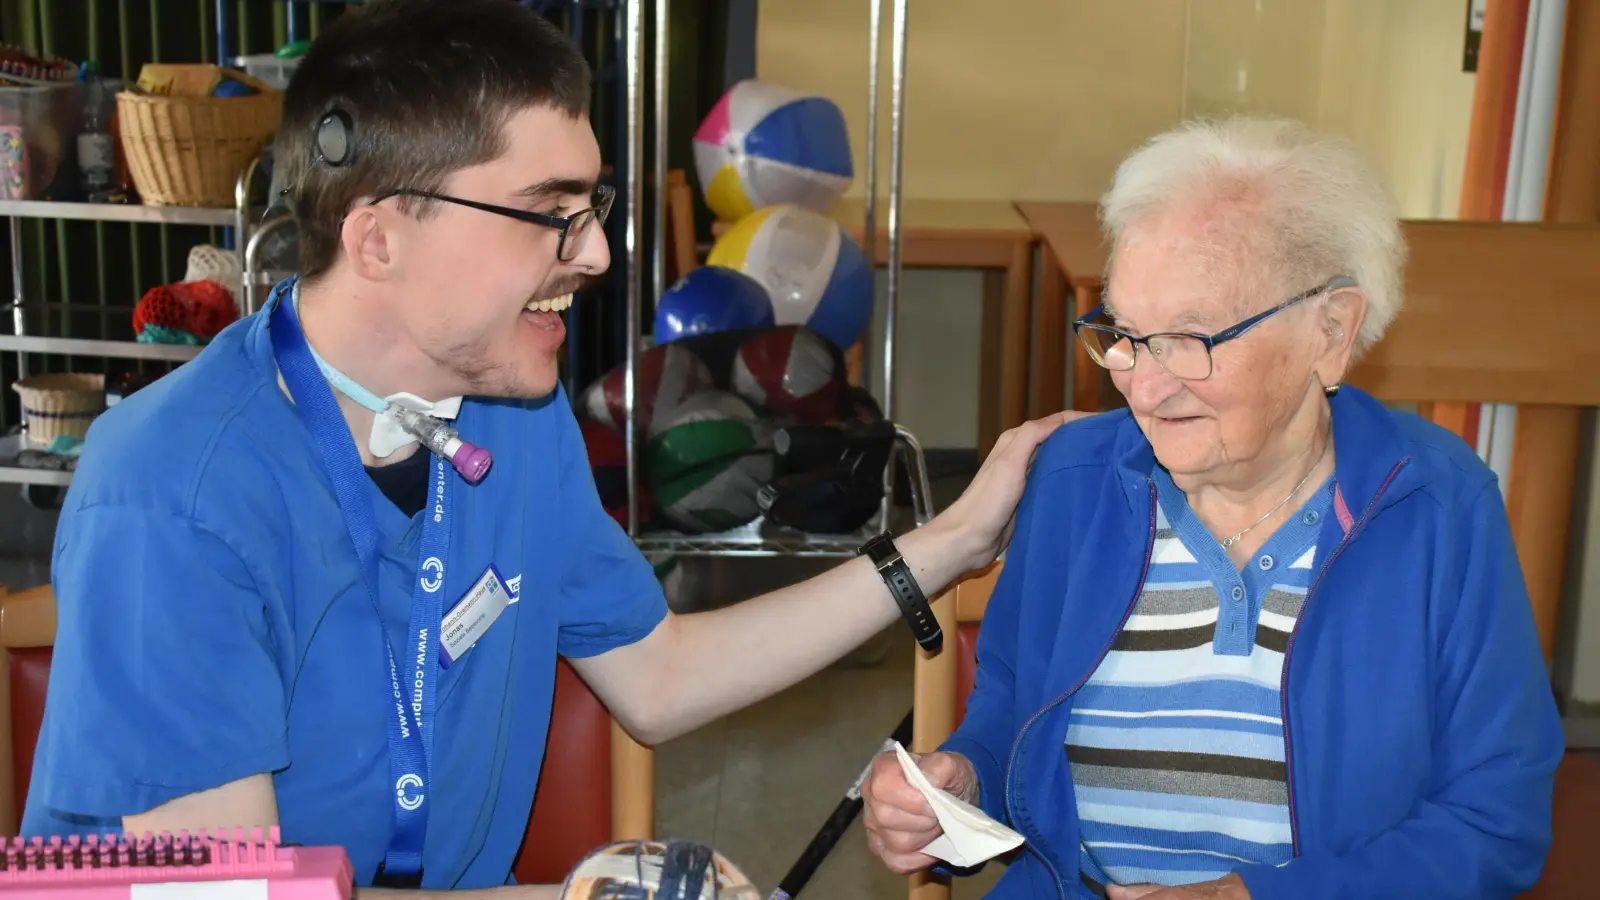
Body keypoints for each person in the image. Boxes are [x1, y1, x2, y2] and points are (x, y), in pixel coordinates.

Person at [19, 1, 1077, 895]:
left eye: (592, 204)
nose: (600, 251)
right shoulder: (172, 494)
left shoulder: (507, 413)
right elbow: (226, 892)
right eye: (549, 212)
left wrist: (948, 542)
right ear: (378, 236)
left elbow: (658, 676)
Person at [860, 115, 1565, 900]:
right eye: (1125, 332)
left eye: (1192, 338)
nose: (1142, 384)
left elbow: (1495, 824)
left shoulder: (1437, 507)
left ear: (1331, 331)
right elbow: (1011, 720)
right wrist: (964, 783)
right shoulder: (1074, 481)